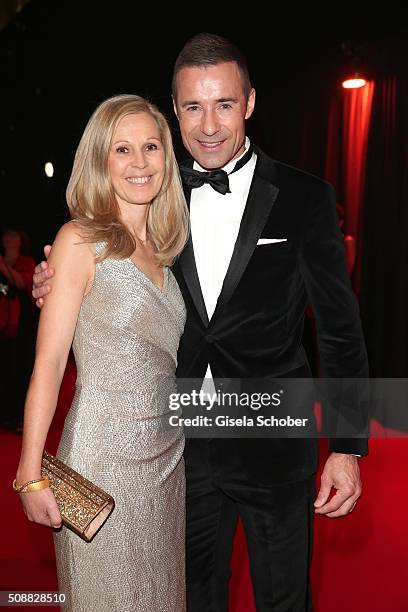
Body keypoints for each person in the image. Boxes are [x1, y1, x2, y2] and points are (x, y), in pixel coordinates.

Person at [33, 34, 369, 612]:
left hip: (274, 437)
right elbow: (105, 267)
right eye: (192, 106)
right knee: (189, 596)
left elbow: (340, 328)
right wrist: (54, 281)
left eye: (224, 104)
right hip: (178, 448)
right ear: (174, 109)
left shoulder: (303, 197)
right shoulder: (158, 195)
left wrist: (346, 445)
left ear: (251, 103)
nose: (209, 124)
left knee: (284, 599)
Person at [15, 94, 189, 612]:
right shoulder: (78, 241)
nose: (139, 163)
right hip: (101, 464)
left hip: (166, 465)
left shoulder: (166, 249)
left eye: (151, 147)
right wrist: (29, 472)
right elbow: (47, 365)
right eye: (122, 149)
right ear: (100, 160)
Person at [0, 226, 37, 430]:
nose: (9, 238)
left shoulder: (26, 261)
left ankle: (21, 418)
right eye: (6, 234)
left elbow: (22, 283)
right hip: (2, 321)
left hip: (22, 323)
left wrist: (4, 267)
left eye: (13, 235)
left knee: (19, 368)